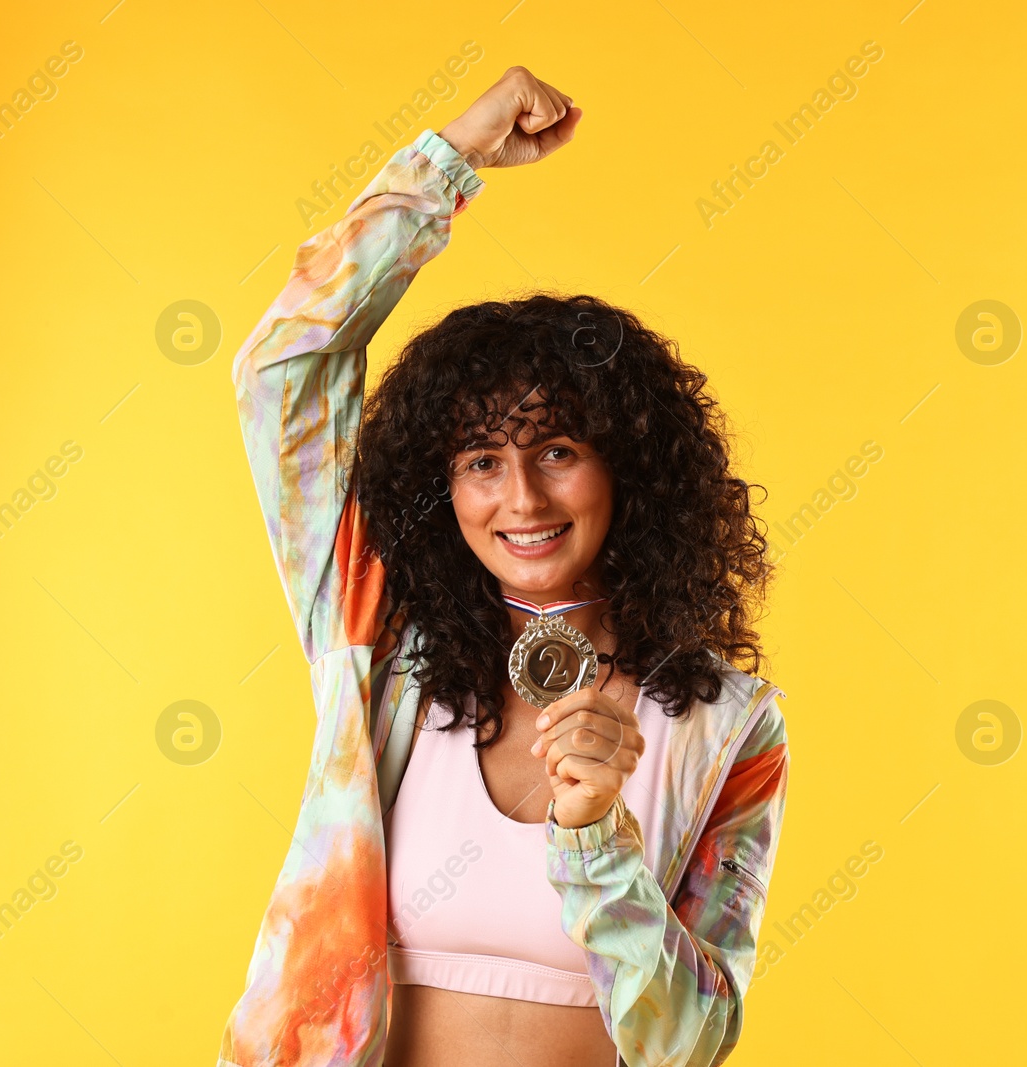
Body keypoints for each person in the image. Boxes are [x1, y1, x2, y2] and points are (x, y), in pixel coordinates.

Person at [219, 64, 789, 1067]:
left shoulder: (723, 724)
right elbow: (281, 376)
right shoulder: (378, 639)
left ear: (630, 470)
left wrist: (594, 833)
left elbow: (691, 1040)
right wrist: (448, 161)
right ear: (444, 484)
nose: (521, 498)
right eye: (482, 460)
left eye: (558, 451)